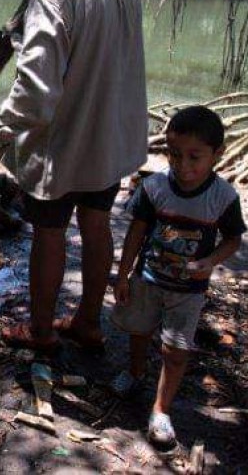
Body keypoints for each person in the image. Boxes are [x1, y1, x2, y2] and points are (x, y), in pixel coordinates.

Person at [0, 0, 148, 351]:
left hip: (66, 143)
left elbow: (36, 94)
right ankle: (89, 323)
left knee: (50, 232)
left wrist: (1, 126)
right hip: (112, 135)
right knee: (97, 224)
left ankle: (40, 335)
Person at [110, 106, 245, 447]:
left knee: (176, 349)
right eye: (173, 154)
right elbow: (136, 232)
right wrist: (123, 275)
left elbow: (232, 239)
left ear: (218, 154)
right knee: (139, 331)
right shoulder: (154, 187)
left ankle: (161, 410)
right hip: (148, 280)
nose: (183, 165)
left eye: (194, 157)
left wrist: (210, 261)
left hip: (189, 290)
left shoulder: (223, 197)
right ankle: (136, 373)